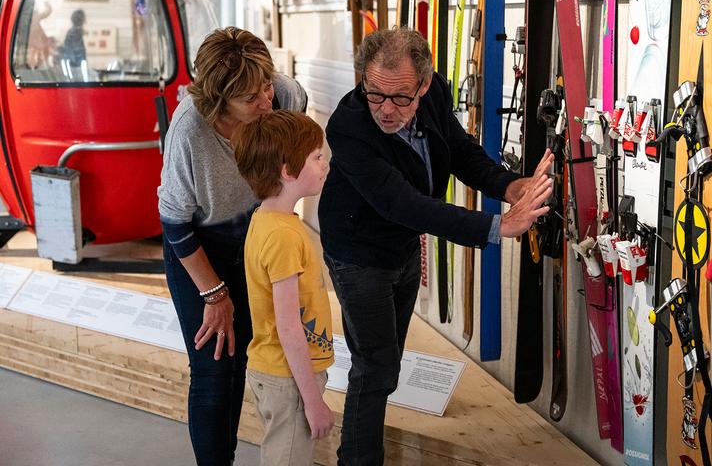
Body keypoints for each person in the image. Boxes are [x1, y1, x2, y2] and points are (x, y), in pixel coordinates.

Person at [318, 27, 553, 465]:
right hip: (357, 254)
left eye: (401, 97)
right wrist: (497, 226)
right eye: (374, 94)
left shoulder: (435, 93)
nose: (386, 110)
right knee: (375, 368)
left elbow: (461, 151)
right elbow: (404, 204)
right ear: (362, 81)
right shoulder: (348, 129)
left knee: (385, 364)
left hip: (402, 246)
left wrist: (509, 185)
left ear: (424, 85)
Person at [157, 26, 308, 466]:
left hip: (256, 241)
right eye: (250, 99)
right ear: (218, 101)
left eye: (266, 86)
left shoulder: (283, 94)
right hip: (199, 247)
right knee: (213, 371)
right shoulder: (189, 132)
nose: (266, 102)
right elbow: (174, 222)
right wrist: (214, 294)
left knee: (245, 359)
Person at [232, 110, 334, 466]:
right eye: (316, 157)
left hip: (278, 372)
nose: (324, 163)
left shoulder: (268, 220)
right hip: (288, 380)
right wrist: (312, 401)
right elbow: (289, 327)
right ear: (288, 171)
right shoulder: (283, 237)